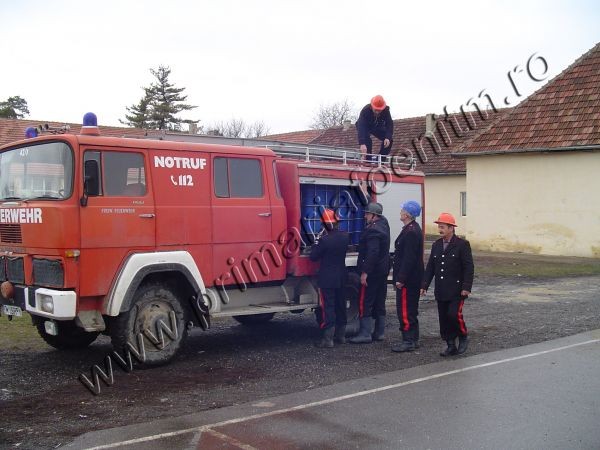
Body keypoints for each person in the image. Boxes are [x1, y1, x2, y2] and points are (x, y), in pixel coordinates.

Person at [421, 213, 474, 356]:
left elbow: (468, 267)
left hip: (456, 289)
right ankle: (450, 344)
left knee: (453, 314)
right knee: (444, 318)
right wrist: (424, 285)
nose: (440, 229)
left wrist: (466, 287)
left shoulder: (462, 245)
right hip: (441, 289)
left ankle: (463, 336)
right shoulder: (436, 245)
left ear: (451, 228)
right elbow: (431, 267)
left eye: (442, 227)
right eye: (439, 227)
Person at [349, 202, 391, 344]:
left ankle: (365, 333)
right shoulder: (384, 224)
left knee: (365, 301)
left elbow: (372, 253)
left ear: (374, 215)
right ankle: (379, 332)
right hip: (382, 270)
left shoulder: (373, 230)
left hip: (372, 272)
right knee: (380, 300)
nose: (365, 216)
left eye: (367, 214)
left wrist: (365, 272)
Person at [310, 209, 350, 348]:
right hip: (342, 276)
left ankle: (328, 339)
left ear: (325, 225)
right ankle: (341, 336)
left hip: (327, 279)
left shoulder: (324, 240)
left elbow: (313, 257)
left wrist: (316, 243)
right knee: (341, 305)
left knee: (328, 307)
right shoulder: (345, 236)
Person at [391, 201, 424, 353]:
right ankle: (414, 339)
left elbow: (409, 258)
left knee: (405, 310)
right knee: (411, 309)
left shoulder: (411, 232)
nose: (400, 212)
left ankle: (408, 340)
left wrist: (401, 278)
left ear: (407, 214)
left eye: (402, 210)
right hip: (412, 278)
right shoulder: (412, 229)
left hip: (408, 280)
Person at [356, 95, 394, 160]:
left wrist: (388, 137)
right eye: (376, 110)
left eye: (379, 110)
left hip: (377, 126)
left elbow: (389, 124)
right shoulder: (365, 110)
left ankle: (380, 160)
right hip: (365, 126)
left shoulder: (386, 110)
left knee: (389, 140)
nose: (377, 112)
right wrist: (362, 143)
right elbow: (361, 127)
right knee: (367, 141)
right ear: (372, 107)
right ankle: (368, 160)